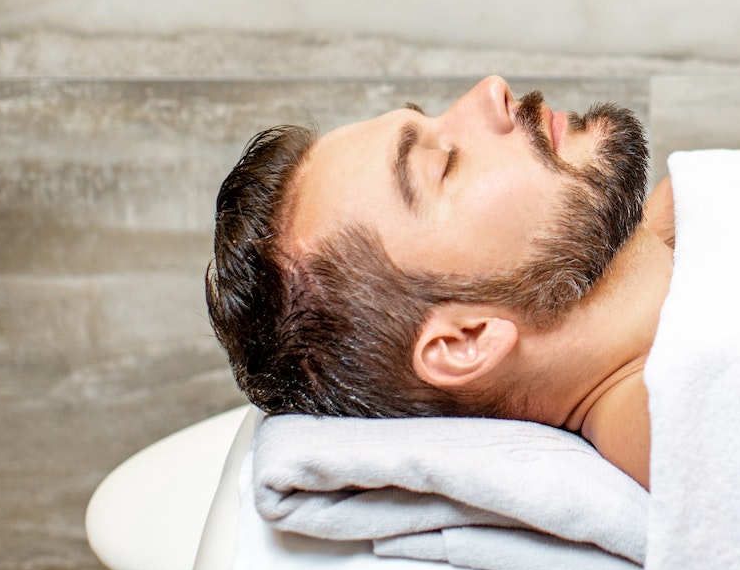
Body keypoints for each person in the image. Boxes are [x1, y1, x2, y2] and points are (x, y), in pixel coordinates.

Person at [206, 76, 669, 487]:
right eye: (444, 163)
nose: (491, 90)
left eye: (432, 117)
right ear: (466, 340)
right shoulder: (695, 428)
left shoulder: (677, 242)